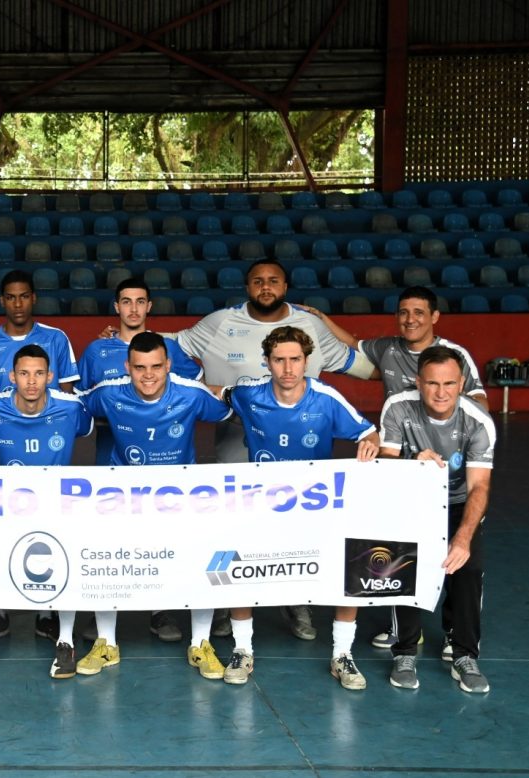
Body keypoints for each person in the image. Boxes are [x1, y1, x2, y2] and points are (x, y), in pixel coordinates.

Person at [156, 258, 374, 641]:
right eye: (258, 281)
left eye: (274, 280)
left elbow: (366, 368)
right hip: (238, 451)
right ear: (247, 287)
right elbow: (167, 346)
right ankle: (229, 606)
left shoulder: (312, 329)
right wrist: (122, 338)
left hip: (303, 469)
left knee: (298, 534)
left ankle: (297, 602)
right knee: (236, 532)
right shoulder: (220, 323)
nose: (266, 286)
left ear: (286, 286)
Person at [303, 285, 487, 652]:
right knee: (400, 555)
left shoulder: (455, 356)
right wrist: (323, 319)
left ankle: (456, 634)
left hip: (447, 465)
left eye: (419, 312)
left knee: (460, 561)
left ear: (434, 317)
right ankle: (404, 631)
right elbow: (354, 345)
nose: (410, 319)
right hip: (401, 462)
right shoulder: (387, 350)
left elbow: (479, 400)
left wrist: (442, 412)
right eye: (404, 312)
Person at [222, 326, 380, 690]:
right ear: (267, 361)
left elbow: (368, 433)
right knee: (238, 568)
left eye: (295, 359)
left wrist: (370, 445)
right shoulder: (248, 395)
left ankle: (342, 654)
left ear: (306, 361)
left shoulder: (326, 398)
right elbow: (220, 395)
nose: (288, 368)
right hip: (260, 505)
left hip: (315, 507)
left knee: (346, 571)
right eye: (279, 360)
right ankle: (242, 649)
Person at [82, 332, 233, 680]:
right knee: (109, 563)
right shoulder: (108, 393)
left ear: (168, 365)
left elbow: (230, 410)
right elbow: (71, 404)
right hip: (123, 498)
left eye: (155, 367)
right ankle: (106, 642)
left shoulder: (191, 394)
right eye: (139, 368)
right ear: (127, 368)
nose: (148, 375)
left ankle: (201, 643)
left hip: (178, 499)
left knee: (201, 564)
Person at [77, 276, 204, 644]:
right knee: (113, 540)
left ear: (150, 307)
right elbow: (83, 402)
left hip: (165, 464)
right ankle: (105, 614)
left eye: (141, 301)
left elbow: (188, 392)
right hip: (111, 461)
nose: (133, 308)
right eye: (126, 301)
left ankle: (160, 610)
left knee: (162, 538)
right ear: (116, 307)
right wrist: (121, 414)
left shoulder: (168, 349)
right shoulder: (97, 351)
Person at [380, 346, 495, 694]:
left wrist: (462, 539)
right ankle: (404, 652)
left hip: (459, 502)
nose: (441, 392)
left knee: (469, 569)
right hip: (411, 499)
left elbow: (479, 487)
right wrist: (414, 459)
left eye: (449, 383)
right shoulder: (398, 406)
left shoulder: (478, 421)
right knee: (405, 569)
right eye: (432, 383)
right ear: (419, 382)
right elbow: (383, 466)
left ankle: (464, 654)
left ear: (461, 383)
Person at [0, 345, 93, 678]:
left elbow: (86, 431)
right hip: (7, 507)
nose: (32, 382)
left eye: (39, 374)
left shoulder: (72, 407)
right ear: (12, 376)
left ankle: (64, 641)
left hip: (58, 506)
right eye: (24, 374)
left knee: (65, 563)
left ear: (51, 376)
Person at [0, 269, 78, 401]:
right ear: (2, 301)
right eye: (10, 298)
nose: (18, 304)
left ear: (33, 298)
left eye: (24, 296)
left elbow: (68, 396)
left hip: (49, 420)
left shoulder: (56, 338)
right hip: (2, 420)